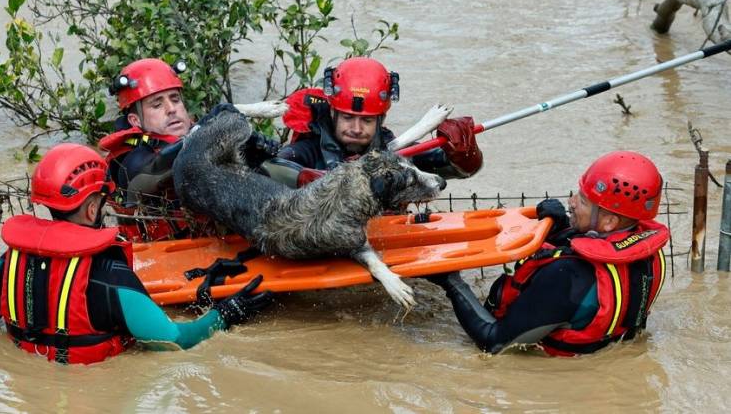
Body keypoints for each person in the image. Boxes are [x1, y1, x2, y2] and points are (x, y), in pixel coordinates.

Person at [0, 143, 273, 365]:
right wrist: (226, 314)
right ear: (93, 207)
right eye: (103, 200)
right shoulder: (109, 275)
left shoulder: (10, 262)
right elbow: (175, 341)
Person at [425, 151, 669, 356]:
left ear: (609, 222)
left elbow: (495, 343)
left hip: (554, 368)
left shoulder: (566, 276)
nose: (571, 201)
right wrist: (562, 228)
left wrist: (451, 281)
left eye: (583, 201)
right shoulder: (648, 250)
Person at [98, 58, 282, 240]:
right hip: (164, 255)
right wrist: (208, 127)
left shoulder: (205, 135)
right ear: (135, 121)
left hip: (218, 242)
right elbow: (164, 166)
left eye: (175, 99)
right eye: (157, 104)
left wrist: (250, 157)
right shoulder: (131, 162)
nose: (171, 109)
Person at [260, 57, 484, 188]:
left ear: (381, 119)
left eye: (366, 120)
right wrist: (317, 180)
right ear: (332, 114)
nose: (356, 129)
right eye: (348, 118)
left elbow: (458, 170)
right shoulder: (306, 150)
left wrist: (465, 154)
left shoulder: (395, 150)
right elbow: (268, 169)